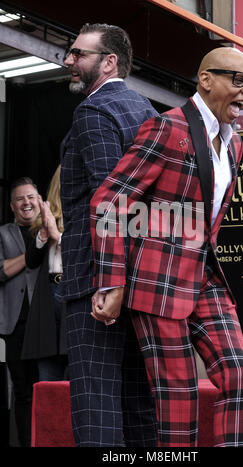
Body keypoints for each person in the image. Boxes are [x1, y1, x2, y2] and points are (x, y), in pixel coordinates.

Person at [90, 47, 243, 447]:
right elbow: (110, 202)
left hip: (205, 278)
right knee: (178, 399)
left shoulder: (235, 145)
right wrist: (112, 282)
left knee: (239, 374)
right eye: (238, 80)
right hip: (157, 282)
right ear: (205, 79)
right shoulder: (167, 128)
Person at [59, 23, 158, 447]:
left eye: (79, 54)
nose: (68, 61)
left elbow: (110, 200)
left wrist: (110, 282)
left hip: (98, 285)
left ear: (110, 61)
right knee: (139, 406)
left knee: (95, 404)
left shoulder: (94, 111)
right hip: (142, 283)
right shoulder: (147, 111)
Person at [0, 177, 40, 446]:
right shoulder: (3, 233)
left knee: (48, 389)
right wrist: (33, 253)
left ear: (41, 201)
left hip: (48, 327)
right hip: (15, 326)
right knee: (23, 393)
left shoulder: (53, 230)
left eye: (31, 197)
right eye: (20, 199)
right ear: (13, 206)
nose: (26, 202)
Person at [22, 165, 68, 381]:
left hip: (74, 296)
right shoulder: (46, 216)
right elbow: (31, 261)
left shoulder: (89, 213)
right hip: (49, 298)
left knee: (76, 383)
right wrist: (43, 233)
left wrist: (57, 236)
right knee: (48, 381)